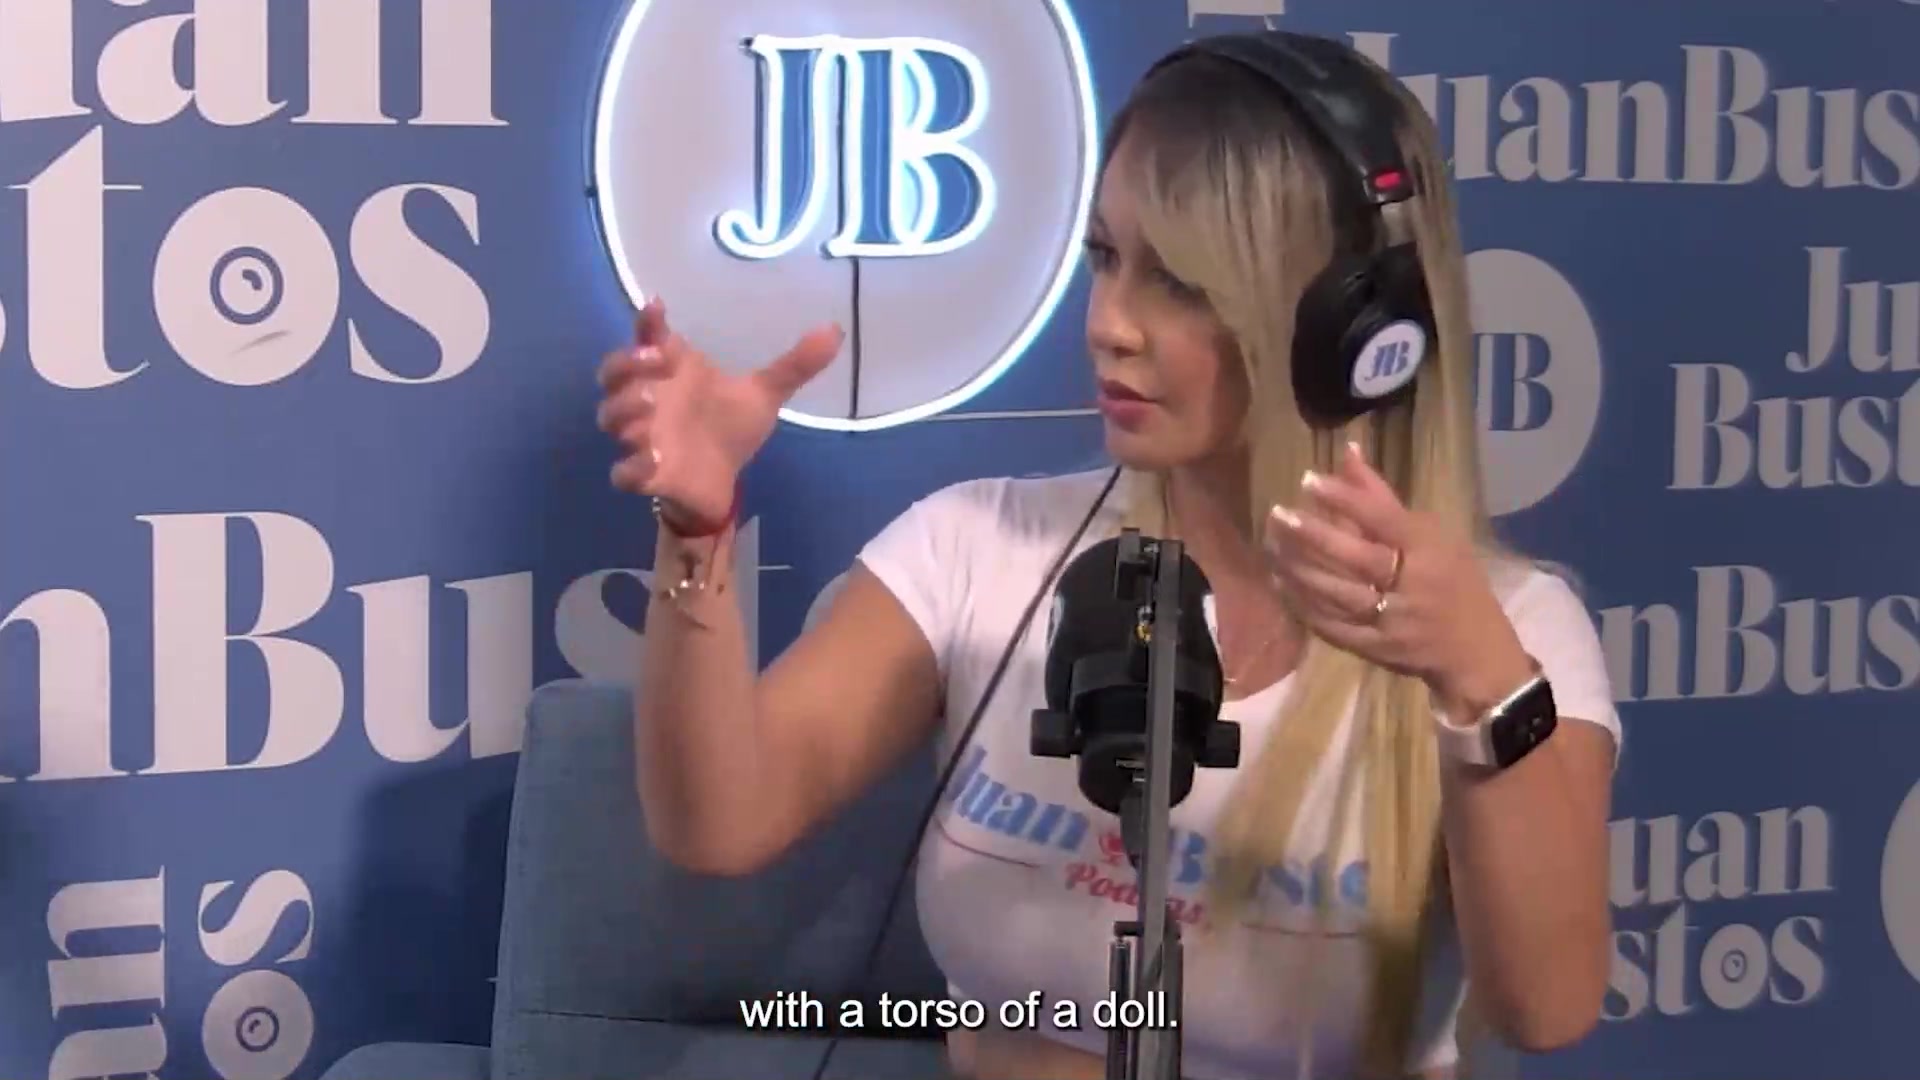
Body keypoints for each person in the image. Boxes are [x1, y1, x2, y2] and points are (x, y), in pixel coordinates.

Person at [595, 30, 1617, 1080]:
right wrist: (696, 532)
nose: (1110, 325)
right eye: (1105, 259)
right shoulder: (975, 547)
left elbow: (1545, 1008)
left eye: (1181, 282)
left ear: (1351, 326)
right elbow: (721, 822)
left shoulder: (1507, 633)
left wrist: (1478, 683)